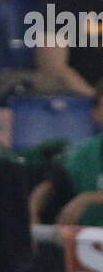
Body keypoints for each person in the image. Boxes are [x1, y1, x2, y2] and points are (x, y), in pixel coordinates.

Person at [30, 80, 103, 226]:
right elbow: (47, 187)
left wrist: (87, 198)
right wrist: (32, 212)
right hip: (87, 244)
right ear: (95, 114)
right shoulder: (84, 153)